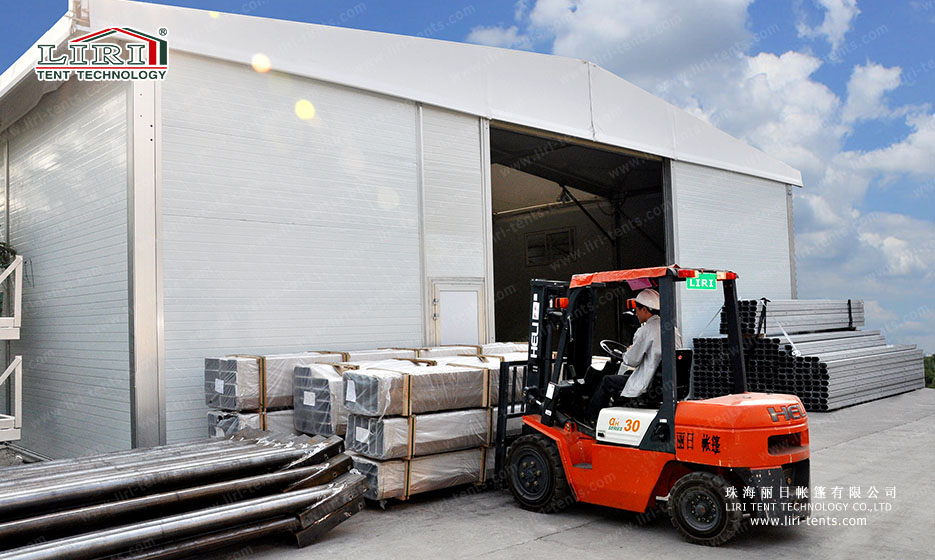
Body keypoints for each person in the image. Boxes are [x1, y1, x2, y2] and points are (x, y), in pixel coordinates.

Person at [587, 288, 682, 422]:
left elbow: (632, 360)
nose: (636, 313)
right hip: (661, 381)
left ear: (644, 309)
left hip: (648, 382)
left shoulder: (644, 331)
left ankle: (592, 418)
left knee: (607, 381)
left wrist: (627, 352)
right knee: (626, 377)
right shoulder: (672, 329)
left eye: (637, 309)